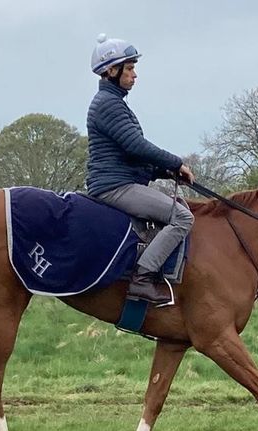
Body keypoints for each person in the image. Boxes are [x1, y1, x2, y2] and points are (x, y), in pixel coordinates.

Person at [86, 34, 195, 306]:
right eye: (130, 68)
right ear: (112, 71)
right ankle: (143, 278)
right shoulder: (108, 105)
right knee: (181, 217)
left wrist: (164, 173)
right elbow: (136, 146)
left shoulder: (114, 103)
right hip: (115, 188)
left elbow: (129, 154)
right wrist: (175, 162)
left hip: (120, 181)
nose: (135, 75)